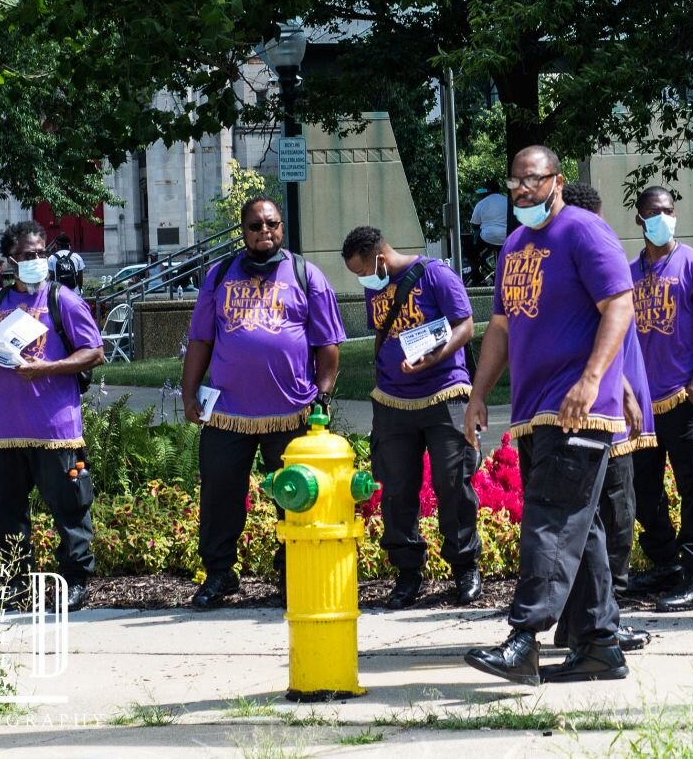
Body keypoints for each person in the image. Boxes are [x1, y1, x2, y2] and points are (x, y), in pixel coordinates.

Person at [462, 146, 635, 686]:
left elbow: (621, 306)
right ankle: (599, 645)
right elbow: (502, 328)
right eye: (514, 181)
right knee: (581, 532)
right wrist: (477, 394)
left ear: (557, 180)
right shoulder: (514, 243)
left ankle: (524, 639)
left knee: (550, 519)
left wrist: (591, 381)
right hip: (535, 409)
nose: (521, 191)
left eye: (532, 181)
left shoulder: (585, 232)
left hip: (579, 408)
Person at [181, 197, 345, 610]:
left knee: (295, 497)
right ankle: (220, 574)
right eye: (255, 226)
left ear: (281, 228)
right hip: (228, 414)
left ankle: (293, 572)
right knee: (219, 496)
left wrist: (322, 396)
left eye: (271, 223)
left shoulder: (307, 276)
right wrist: (188, 392)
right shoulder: (218, 276)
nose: (264, 231)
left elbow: (327, 345)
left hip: (293, 412)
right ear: (244, 231)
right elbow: (201, 339)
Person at [341, 225, 482, 610]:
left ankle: (465, 566)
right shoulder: (376, 286)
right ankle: (407, 572)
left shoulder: (436, 274)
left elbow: (465, 325)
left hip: (444, 393)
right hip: (393, 399)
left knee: (453, 482)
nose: (363, 280)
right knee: (397, 489)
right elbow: (381, 333)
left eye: (363, 271)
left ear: (380, 259)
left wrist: (436, 357)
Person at [0, 221, 104, 612]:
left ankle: (75, 581)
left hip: (56, 429)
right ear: (11, 260)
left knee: (71, 509)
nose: (37, 261)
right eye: (28, 255)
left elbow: (94, 352)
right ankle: (16, 584)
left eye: (41, 253)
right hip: (7, 432)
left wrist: (46, 368)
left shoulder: (64, 300)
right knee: (8, 513)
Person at [554, 181, 655, 652]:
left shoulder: (587, 259)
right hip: (597, 414)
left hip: (610, 405)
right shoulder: (581, 267)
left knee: (603, 520)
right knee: (607, 520)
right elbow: (596, 345)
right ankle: (598, 622)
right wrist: (628, 393)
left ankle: (581, 620)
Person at [627, 186, 693, 614]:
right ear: (639, 220)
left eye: (668, 210)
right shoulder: (628, 274)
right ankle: (666, 563)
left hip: (686, 400)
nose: (662, 218)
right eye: (653, 212)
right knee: (642, 489)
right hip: (642, 408)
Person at [469, 180, 510, 284]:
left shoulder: (482, 203)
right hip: (506, 238)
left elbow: (474, 224)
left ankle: (476, 273)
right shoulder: (508, 201)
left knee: (469, 248)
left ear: (486, 191)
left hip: (487, 237)